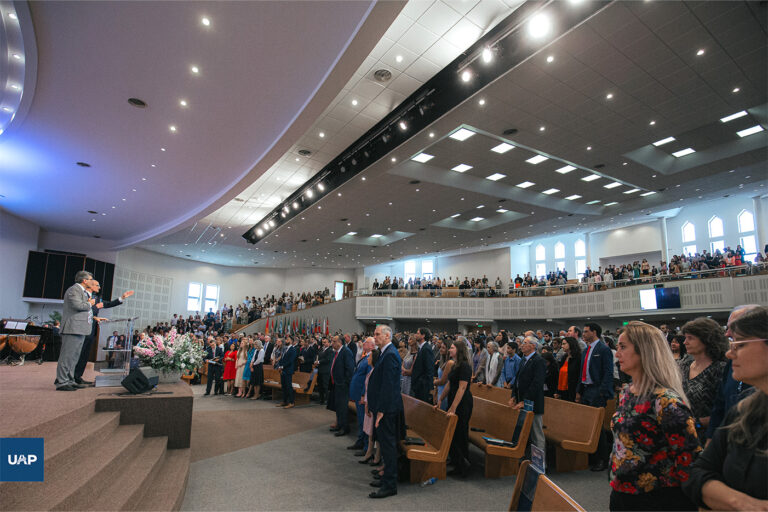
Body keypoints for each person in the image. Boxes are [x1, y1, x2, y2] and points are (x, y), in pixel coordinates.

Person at [610, 321, 701, 511]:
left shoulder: (665, 401)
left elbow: (688, 459)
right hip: (623, 492)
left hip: (657, 498)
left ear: (645, 351)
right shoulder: (627, 392)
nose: (617, 354)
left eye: (623, 347)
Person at [683, 306, 768, 510]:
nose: (730, 354)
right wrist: (742, 503)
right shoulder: (744, 408)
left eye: (739, 344)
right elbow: (696, 475)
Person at [367, 324, 402, 499]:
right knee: (386, 445)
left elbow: (389, 385)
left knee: (388, 447)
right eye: (374, 334)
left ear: (387, 336)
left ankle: (390, 485)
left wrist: (381, 410)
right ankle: (386, 478)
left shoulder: (390, 355)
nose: (375, 337)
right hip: (383, 408)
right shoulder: (385, 352)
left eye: (377, 334)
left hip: (387, 410)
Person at [74, 281, 133, 385]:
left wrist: (122, 298)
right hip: (81, 328)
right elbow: (80, 309)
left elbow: (108, 304)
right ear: (91, 285)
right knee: (78, 354)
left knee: (84, 355)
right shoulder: (81, 295)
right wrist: (96, 308)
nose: (99, 287)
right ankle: (71, 377)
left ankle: (77, 376)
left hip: (91, 329)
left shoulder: (96, 298)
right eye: (97, 285)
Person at [679, 317, 728, 436]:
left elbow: (726, 411)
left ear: (706, 340)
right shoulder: (684, 365)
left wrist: (696, 423)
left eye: (691, 338)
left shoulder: (721, 369)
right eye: (685, 338)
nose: (685, 342)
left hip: (712, 436)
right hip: (686, 433)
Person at [576, 322, 614, 471]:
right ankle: (592, 456)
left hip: (597, 390)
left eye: (586, 332)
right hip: (586, 389)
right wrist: (579, 391)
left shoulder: (603, 349)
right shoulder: (586, 350)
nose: (583, 334)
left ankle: (602, 459)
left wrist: (601, 392)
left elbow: (608, 372)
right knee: (589, 426)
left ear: (594, 332)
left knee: (597, 427)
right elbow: (582, 371)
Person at [436, 341, 473, 477]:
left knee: (460, 433)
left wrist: (453, 407)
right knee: (453, 432)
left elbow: (462, 388)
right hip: (454, 399)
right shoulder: (454, 364)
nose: (449, 350)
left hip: (463, 403)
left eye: (452, 348)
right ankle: (457, 462)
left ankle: (464, 466)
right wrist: (440, 399)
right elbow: (450, 384)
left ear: (459, 350)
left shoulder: (464, 366)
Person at [56, 271, 97, 391]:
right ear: (85, 280)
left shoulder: (82, 292)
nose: (92, 281)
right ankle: (62, 382)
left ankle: (70, 380)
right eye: (90, 279)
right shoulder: (74, 290)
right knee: (67, 357)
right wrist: (89, 304)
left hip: (80, 329)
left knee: (74, 357)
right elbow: (78, 306)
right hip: (72, 328)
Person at [509, 336, 546, 457]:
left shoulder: (538, 360)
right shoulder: (524, 359)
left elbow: (537, 383)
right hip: (522, 400)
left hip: (533, 402)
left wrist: (526, 400)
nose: (521, 345)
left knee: (536, 433)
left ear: (533, 346)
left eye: (525, 343)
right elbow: (518, 379)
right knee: (523, 430)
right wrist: (513, 395)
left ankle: (540, 463)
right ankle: (526, 456)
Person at [349, 337, 375, 454]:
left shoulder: (371, 358)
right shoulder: (365, 356)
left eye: (366, 342)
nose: (363, 343)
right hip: (358, 393)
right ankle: (360, 441)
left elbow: (369, 378)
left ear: (371, 346)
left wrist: (364, 395)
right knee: (360, 420)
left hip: (362, 395)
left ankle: (365, 446)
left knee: (363, 421)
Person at [328, 335, 354, 436]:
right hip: (336, 384)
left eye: (334, 341)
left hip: (342, 385)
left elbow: (350, 369)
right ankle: (339, 424)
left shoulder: (346, 352)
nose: (332, 343)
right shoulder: (338, 352)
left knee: (343, 407)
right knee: (338, 406)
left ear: (340, 342)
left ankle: (345, 428)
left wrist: (344, 383)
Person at [409, 327, 435, 403]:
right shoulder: (421, 348)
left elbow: (429, 369)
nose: (415, 335)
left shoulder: (426, 348)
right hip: (419, 385)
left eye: (417, 333)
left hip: (422, 387)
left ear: (423, 335)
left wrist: (423, 384)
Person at [555, 336, 582, 401]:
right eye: (562, 344)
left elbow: (579, 377)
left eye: (564, 344)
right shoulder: (564, 357)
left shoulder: (578, 358)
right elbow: (560, 375)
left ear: (571, 344)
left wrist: (578, 392)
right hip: (562, 390)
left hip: (572, 391)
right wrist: (557, 391)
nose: (562, 346)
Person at [276, 336, 297, 408]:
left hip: (288, 370)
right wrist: (279, 366)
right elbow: (281, 358)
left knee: (288, 386)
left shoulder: (293, 349)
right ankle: (285, 401)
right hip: (283, 370)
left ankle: (291, 402)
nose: (286, 340)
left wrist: (282, 366)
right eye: (286, 339)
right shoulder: (285, 348)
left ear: (291, 341)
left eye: (287, 339)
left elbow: (290, 361)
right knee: (284, 386)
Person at [434, 340, 454, 411]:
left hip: (445, 392)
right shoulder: (442, 360)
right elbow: (439, 377)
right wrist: (435, 393)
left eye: (443, 348)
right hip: (440, 390)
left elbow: (443, 381)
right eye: (441, 347)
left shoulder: (450, 363)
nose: (440, 349)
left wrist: (433, 382)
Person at [315, 337, 333, 405]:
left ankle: (327, 400)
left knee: (325, 386)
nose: (323, 343)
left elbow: (327, 359)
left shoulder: (330, 350)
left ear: (329, 343)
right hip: (320, 369)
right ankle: (321, 399)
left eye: (325, 342)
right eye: (323, 342)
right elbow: (317, 356)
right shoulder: (321, 349)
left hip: (326, 370)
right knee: (320, 385)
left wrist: (319, 361)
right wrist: (316, 361)